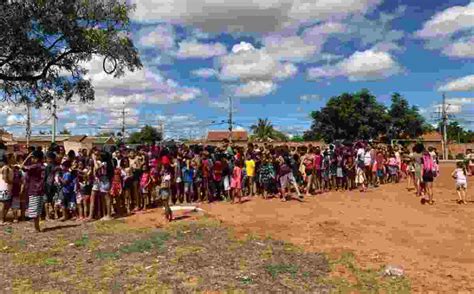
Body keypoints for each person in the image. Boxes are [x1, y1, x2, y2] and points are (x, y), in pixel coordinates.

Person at [20, 151, 46, 232]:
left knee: (34, 210)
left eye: (32, 157)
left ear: (36, 158)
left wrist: (27, 157)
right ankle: (37, 227)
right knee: (37, 210)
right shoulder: (42, 166)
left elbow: (22, 167)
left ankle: (36, 228)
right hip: (40, 190)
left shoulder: (35, 166)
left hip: (34, 190)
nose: (31, 159)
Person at [0, 155, 12, 225]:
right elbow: (5, 178)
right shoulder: (5, 168)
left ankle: (2, 218)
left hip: (4, 188)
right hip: (4, 188)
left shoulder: (4, 167)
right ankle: (1, 220)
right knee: (3, 205)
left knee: (5, 204)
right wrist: (12, 182)